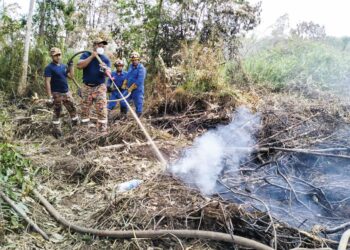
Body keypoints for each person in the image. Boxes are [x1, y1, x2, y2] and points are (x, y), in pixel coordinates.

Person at [77, 37, 111, 133]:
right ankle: (84, 131)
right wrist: (92, 56)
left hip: (99, 87)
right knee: (84, 109)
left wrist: (105, 70)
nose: (102, 47)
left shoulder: (105, 59)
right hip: (87, 86)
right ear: (94, 46)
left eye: (103, 45)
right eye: (99, 45)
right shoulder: (85, 55)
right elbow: (79, 66)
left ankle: (102, 132)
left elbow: (109, 73)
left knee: (102, 110)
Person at [44, 47, 78, 138]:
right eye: (56, 55)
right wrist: (50, 96)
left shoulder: (63, 66)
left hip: (66, 93)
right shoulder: (49, 68)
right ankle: (57, 132)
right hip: (56, 93)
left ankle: (75, 127)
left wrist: (71, 66)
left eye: (59, 55)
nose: (58, 57)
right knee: (57, 112)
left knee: (73, 109)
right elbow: (47, 82)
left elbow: (71, 76)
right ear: (52, 56)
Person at [120, 51, 146, 117]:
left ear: (138, 60)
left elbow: (140, 80)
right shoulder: (131, 66)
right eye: (132, 60)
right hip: (128, 89)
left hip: (137, 90)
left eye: (135, 60)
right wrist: (124, 83)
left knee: (138, 103)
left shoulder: (141, 68)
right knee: (123, 100)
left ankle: (138, 117)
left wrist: (132, 88)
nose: (134, 61)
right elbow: (128, 75)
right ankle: (123, 116)